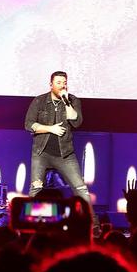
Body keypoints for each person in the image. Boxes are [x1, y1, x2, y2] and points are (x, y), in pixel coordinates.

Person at [23, 71, 91, 205]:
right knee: (35, 189)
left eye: (64, 83)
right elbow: (28, 124)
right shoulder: (39, 101)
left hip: (65, 154)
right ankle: (31, 222)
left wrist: (66, 102)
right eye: (58, 83)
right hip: (41, 153)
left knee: (81, 189)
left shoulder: (72, 100)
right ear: (51, 84)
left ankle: (92, 225)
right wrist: (51, 129)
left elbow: (76, 121)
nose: (62, 86)